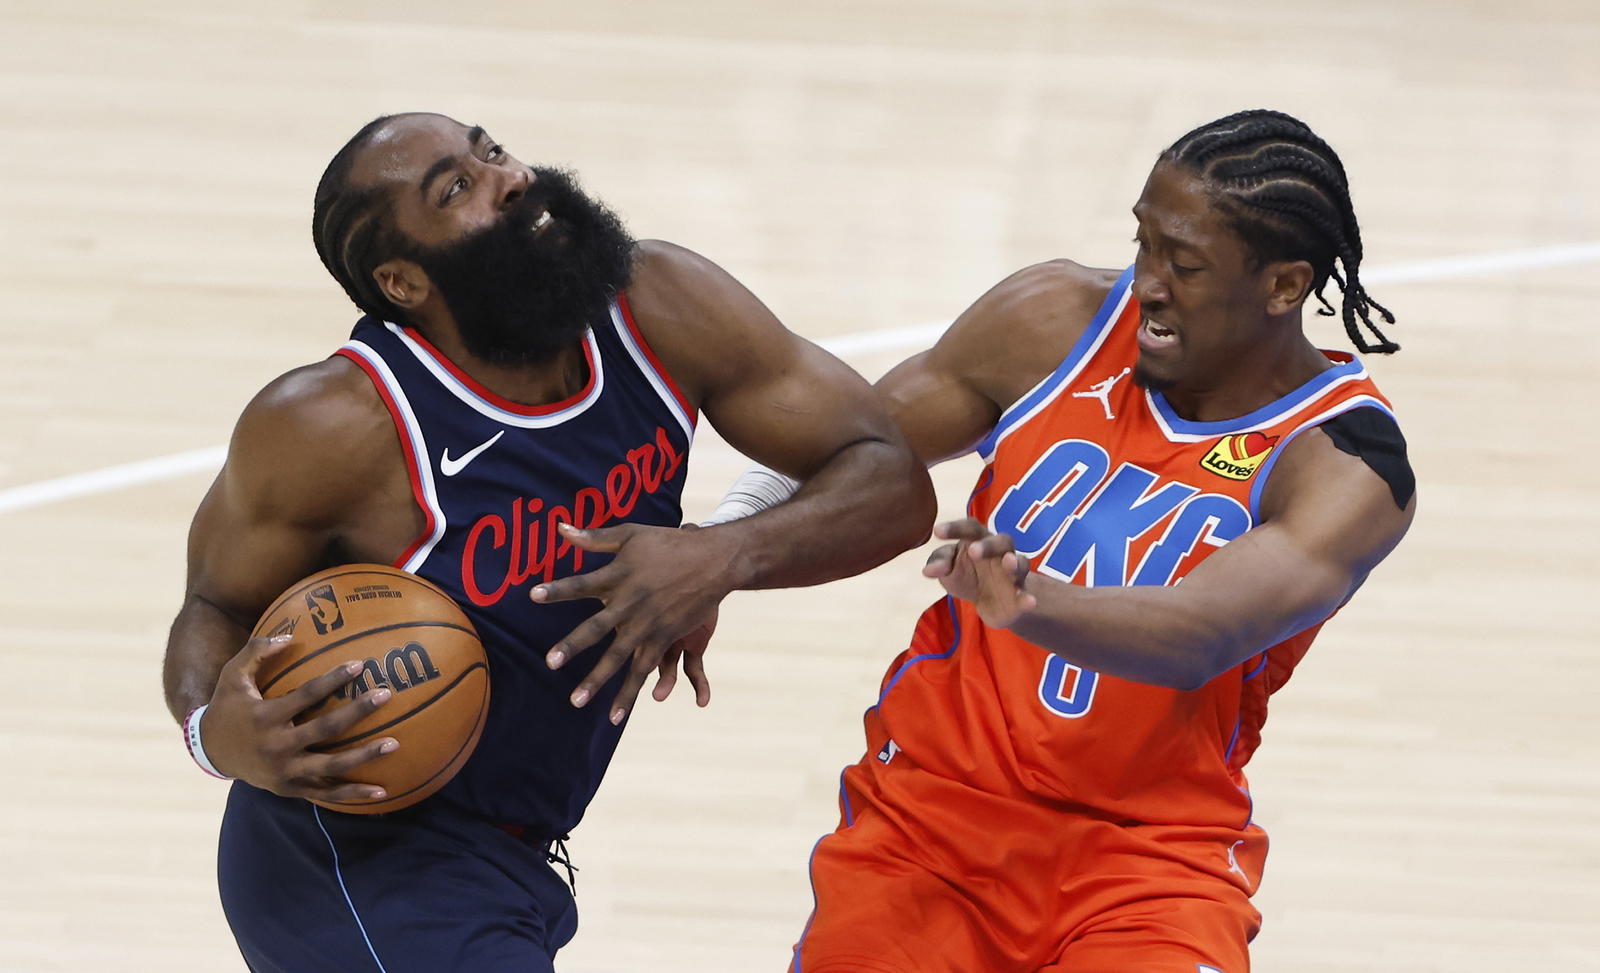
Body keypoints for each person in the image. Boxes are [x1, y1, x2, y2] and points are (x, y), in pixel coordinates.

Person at [160, 111, 934, 973]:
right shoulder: (335, 425)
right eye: (457, 189)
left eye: (491, 150)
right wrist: (210, 731)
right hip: (349, 860)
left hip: (512, 855)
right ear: (404, 281)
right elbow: (214, 606)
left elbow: (892, 481)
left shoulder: (660, 307)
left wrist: (722, 554)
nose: (510, 176)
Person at [727, 109, 1414, 972]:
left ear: (1284, 287)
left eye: (1185, 264)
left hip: (1149, 857)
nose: (1149, 282)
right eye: (1145, 243)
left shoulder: (1345, 461)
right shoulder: (1056, 321)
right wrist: (712, 554)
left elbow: (1201, 635)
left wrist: (1031, 602)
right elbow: (849, 443)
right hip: (933, 818)